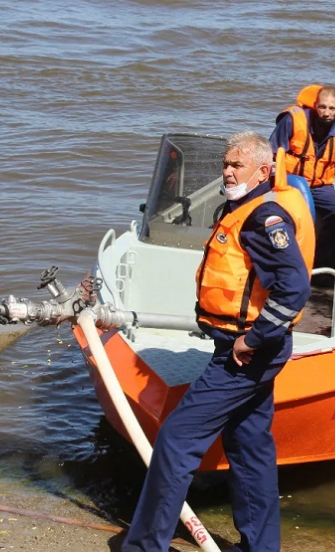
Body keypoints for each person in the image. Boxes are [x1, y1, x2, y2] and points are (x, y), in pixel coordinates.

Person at [122, 132, 315, 552]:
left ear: (263, 171)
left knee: (176, 440)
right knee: (249, 446)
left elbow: (295, 288)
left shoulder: (265, 219)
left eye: (236, 165)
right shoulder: (240, 208)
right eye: (224, 164)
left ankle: (144, 547)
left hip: (244, 354)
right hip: (240, 347)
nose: (227, 171)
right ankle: (260, 547)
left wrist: (256, 338)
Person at [270, 84, 335, 272]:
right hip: (289, 182)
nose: (326, 113)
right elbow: (272, 154)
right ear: (315, 106)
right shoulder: (293, 119)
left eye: (332, 108)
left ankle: (321, 265)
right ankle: (285, 263)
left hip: (319, 187)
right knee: (289, 214)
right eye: (322, 107)